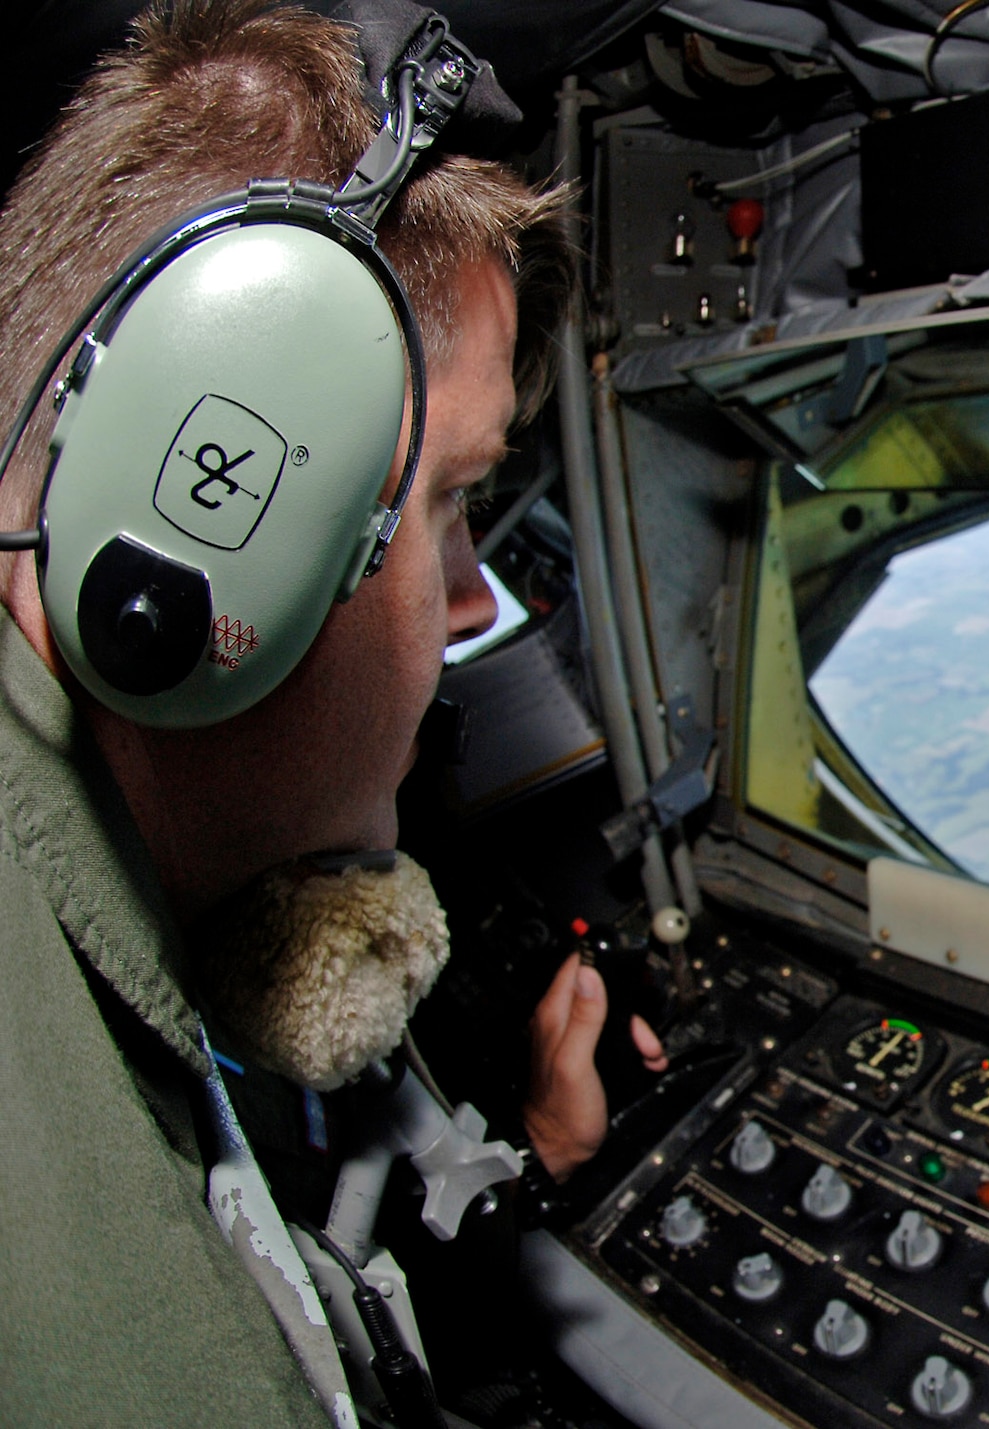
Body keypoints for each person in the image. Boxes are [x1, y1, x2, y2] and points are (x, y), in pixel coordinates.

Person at [0, 2, 648, 1421]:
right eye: (451, 500)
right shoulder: (137, 1341)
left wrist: (535, 1147)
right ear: (221, 529)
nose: (473, 604)